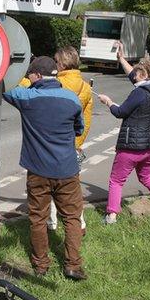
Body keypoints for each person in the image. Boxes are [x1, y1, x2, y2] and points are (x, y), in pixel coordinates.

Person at [4, 56, 86, 280]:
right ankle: (73, 266)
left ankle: (41, 265)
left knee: (38, 218)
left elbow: (1, 85)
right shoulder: (72, 99)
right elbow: (79, 129)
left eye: (30, 75)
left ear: (38, 75)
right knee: (72, 218)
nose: (27, 79)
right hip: (67, 170)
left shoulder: (26, 97)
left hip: (38, 171)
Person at [96, 41, 150, 224]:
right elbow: (134, 76)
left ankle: (111, 215)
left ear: (144, 75)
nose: (134, 75)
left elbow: (120, 112)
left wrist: (108, 101)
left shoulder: (139, 94)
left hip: (131, 147)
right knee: (146, 175)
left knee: (116, 180)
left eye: (138, 72)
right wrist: (121, 58)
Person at [48, 46, 92, 234]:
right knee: (72, 186)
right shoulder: (85, 87)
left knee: (48, 184)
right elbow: (87, 119)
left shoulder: (55, 84)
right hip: (72, 144)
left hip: (52, 143)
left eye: (56, 61)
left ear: (62, 63)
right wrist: (78, 143)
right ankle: (79, 223)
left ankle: (51, 222)